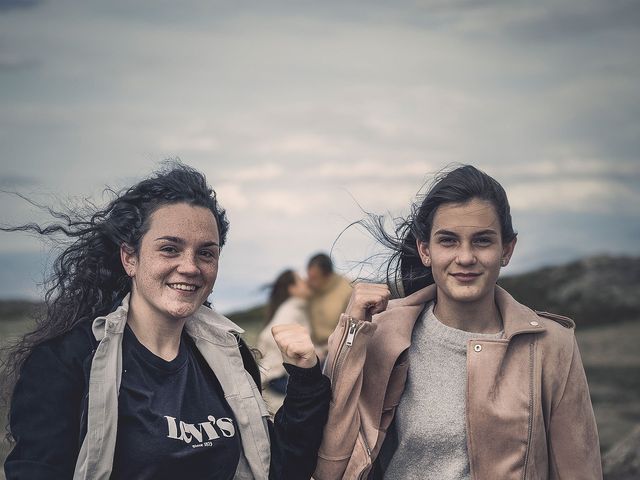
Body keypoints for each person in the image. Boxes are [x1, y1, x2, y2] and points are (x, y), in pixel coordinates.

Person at [1, 162, 330, 480]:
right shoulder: (66, 362)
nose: (190, 266)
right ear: (130, 258)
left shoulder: (228, 355)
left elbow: (280, 470)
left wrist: (304, 377)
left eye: (206, 253)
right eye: (170, 249)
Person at [314, 165, 602, 479]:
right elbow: (331, 463)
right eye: (448, 241)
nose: (465, 257)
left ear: (507, 249)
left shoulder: (551, 346)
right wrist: (351, 335)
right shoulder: (383, 334)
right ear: (425, 250)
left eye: (482, 241)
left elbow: (580, 471)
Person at [257, 269, 312, 395]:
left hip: (274, 376)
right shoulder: (292, 309)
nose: (305, 282)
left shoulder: (296, 307)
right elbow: (270, 336)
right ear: (292, 289)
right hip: (278, 377)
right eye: (301, 280)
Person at [306, 253, 352, 353]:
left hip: (336, 350)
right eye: (308, 276)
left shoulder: (348, 290)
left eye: (314, 278)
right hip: (314, 349)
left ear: (327, 276)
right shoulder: (309, 289)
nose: (309, 281)